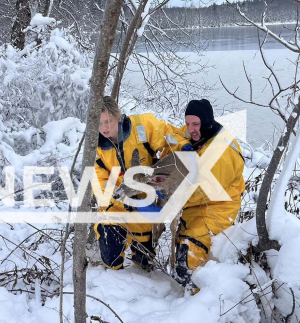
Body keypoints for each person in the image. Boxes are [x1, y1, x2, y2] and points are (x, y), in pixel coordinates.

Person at [94, 96, 186, 271]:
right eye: (99, 123)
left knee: (144, 264)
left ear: (118, 116)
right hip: (116, 208)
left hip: (146, 206)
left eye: (108, 121)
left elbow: (171, 138)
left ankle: (143, 256)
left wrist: (183, 150)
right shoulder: (95, 147)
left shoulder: (143, 126)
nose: (104, 128)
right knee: (111, 259)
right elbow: (100, 185)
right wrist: (125, 201)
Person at [172, 99, 246, 289]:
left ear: (206, 122)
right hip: (195, 208)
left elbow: (199, 190)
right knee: (181, 258)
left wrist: (163, 196)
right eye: (187, 123)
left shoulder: (223, 152)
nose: (190, 129)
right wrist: (181, 145)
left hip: (217, 209)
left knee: (188, 257)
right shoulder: (196, 133)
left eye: (195, 124)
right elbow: (170, 134)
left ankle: (201, 302)